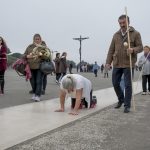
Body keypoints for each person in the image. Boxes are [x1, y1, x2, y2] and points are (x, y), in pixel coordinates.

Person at [106, 15, 143, 113]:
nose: (122, 25)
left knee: (128, 85)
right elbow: (111, 50)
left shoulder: (135, 33)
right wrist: (108, 62)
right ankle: (121, 99)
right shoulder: (116, 35)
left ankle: (127, 105)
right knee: (115, 83)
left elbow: (140, 47)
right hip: (117, 63)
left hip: (128, 63)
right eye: (120, 23)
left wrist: (133, 49)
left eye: (124, 23)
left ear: (128, 22)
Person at [24, 34, 48, 101]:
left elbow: (48, 56)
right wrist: (27, 56)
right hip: (31, 67)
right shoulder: (30, 46)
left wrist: (41, 55)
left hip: (40, 67)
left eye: (38, 39)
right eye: (36, 39)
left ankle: (38, 95)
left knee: (38, 81)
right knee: (32, 82)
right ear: (33, 39)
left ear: (41, 39)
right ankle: (34, 93)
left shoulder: (43, 47)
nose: (37, 40)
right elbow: (24, 54)